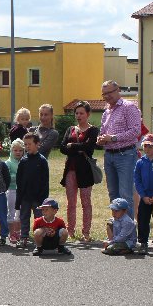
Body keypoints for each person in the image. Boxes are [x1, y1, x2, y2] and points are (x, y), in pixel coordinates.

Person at [99, 80, 142, 217]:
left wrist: (113, 138)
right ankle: (118, 226)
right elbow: (102, 132)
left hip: (126, 155)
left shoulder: (129, 107)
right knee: (113, 194)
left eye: (109, 92)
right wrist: (100, 139)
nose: (107, 96)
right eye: (104, 94)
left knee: (125, 194)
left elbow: (136, 131)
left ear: (118, 90)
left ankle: (128, 228)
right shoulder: (106, 111)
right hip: (109, 155)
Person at [60, 101, 100, 242]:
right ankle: (70, 231)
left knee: (86, 202)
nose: (78, 115)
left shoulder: (93, 130)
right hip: (70, 169)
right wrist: (77, 147)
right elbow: (62, 148)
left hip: (85, 171)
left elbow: (89, 147)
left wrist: (72, 145)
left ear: (88, 114)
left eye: (81, 113)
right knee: (71, 203)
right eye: (76, 113)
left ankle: (86, 232)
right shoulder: (70, 129)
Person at [15, 132, 49, 250]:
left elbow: (45, 181)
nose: (27, 146)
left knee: (39, 219)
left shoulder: (42, 160)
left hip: (38, 198)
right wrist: (19, 199)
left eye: (29, 144)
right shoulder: (23, 161)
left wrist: (43, 199)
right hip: (25, 197)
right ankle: (24, 237)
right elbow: (19, 181)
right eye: (25, 144)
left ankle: (40, 239)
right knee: (24, 218)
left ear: (37, 144)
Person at [6, 139, 25, 243]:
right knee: (12, 212)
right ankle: (11, 233)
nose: (18, 152)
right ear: (11, 150)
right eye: (15, 150)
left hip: (23, 191)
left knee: (21, 212)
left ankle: (19, 232)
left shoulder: (25, 161)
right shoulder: (8, 163)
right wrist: (19, 176)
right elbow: (7, 177)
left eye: (20, 150)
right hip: (12, 190)